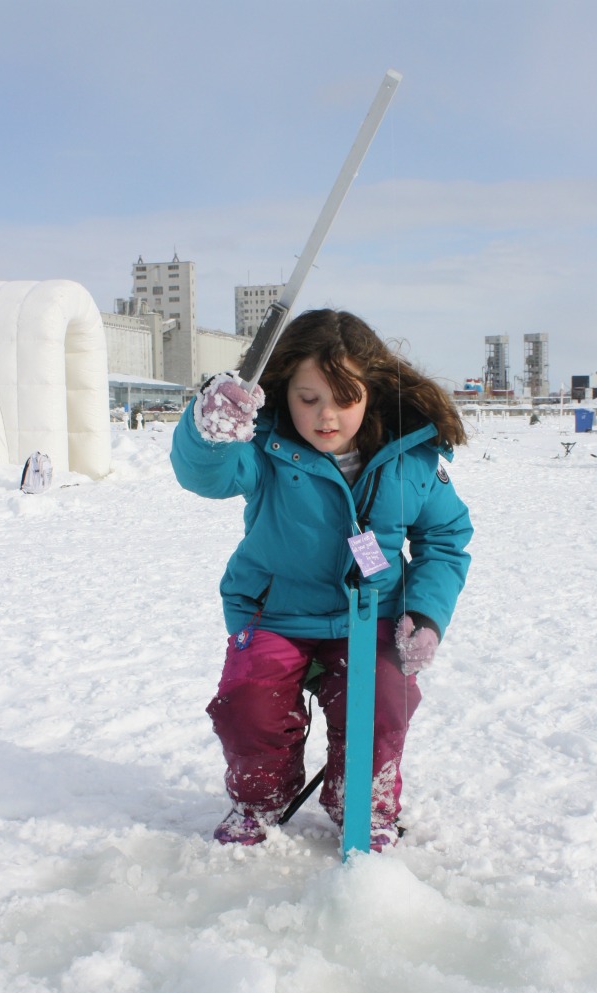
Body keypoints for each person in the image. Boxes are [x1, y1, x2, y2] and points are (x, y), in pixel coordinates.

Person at [171, 308, 473, 851]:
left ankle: (363, 802)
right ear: (284, 390)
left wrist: (426, 614)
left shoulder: (415, 459)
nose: (325, 416)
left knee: (385, 702)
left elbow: (445, 540)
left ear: (371, 391)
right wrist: (207, 432)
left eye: (344, 398)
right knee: (248, 704)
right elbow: (206, 474)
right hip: (275, 613)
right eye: (308, 399)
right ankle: (259, 800)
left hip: (371, 613)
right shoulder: (261, 447)